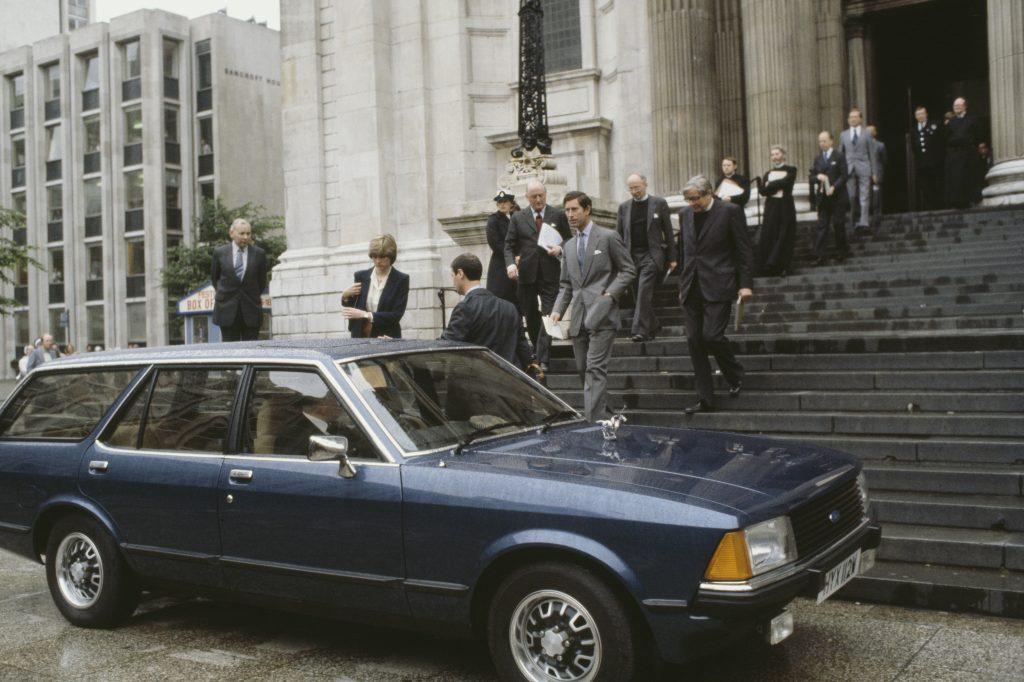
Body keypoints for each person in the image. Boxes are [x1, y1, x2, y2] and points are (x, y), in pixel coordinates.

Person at [551, 191, 635, 422]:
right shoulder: (568, 246)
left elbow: (628, 270)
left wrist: (610, 295)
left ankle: (593, 423)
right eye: (566, 210)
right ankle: (604, 413)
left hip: (603, 314)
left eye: (574, 209)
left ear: (587, 209)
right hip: (578, 317)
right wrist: (558, 310)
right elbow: (566, 285)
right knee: (583, 369)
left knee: (594, 369)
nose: (570, 215)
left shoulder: (608, 237)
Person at [676, 176, 754, 414]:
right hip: (692, 286)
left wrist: (745, 284)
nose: (692, 203)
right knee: (694, 341)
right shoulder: (685, 214)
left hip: (720, 283)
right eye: (688, 199)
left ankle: (735, 374)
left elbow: (743, 250)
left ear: (709, 193)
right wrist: (681, 281)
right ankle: (705, 398)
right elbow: (685, 251)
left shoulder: (729, 211)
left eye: (696, 198)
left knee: (712, 336)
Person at [504, 180, 572, 372]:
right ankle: (538, 349)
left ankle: (543, 358)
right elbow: (508, 245)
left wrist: (560, 248)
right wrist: (510, 265)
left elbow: (568, 239)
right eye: (534, 196)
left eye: (541, 195)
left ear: (546, 194)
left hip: (550, 274)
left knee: (549, 315)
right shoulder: (518, 217)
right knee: (531, 315)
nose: (538, 199)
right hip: (526, 274)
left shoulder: (557, 215)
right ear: (527, 198)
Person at [440, 253, 532, 368]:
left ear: (460, 273)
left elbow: (446, 346)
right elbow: (524, 350)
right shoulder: (510, 308)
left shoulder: (465, 308)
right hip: (510, 380)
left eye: (452, 275)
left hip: (480, 381)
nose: (452, 281)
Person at [615, 173, 677, 343]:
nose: (634, 191)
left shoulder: (659, 203)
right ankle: (654, 324)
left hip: (651, 255)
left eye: (637, 187)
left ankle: (640, 330)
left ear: (645, 185)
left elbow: (669, 232)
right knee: (637, 293)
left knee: (643, 290)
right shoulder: (624, 207)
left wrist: (672, 257)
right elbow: (618, 235)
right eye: (631, 188)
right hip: (630, 256)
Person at [341, 234, 409, 338]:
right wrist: (345, 296)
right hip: (360, 335)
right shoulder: (360, 276)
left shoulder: (401, 279)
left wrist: (365, 314)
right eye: (374, 256)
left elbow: (397, 314)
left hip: (386, 336)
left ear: (391, 256)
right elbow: (353, 307)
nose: (377, 261)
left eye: (382, 257)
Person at [211, 218, 268, 341]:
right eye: (242, 233)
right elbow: (215, 279)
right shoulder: (220, 253)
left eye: (248, 233)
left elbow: (262, 282)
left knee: (251, 352)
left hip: (251, 311)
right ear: (232, 233)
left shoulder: (259, 254)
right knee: (230, 353)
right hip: (227, 311)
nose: (246, 237)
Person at [809, 131, 849, 266]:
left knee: (838, 224)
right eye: (820, 141)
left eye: (824, 141)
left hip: (837, 197)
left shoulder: (839, 156)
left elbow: (844, 175)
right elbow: (812, 177)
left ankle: (841, 251)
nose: (822, 144)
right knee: (822, 226)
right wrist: (817, 177)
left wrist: (834, 187)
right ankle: (819, 255)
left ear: (831, 141)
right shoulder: (817, 159)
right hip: (823, 199)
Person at [756, 145, 797, 276]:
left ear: (783, 155)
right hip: (771, 207)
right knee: (769, 234)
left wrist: (771, 185)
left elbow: (787, 182)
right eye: (772, 155)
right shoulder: (768, 173)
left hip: (785, 206)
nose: (775, 157)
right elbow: (762, 191)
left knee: (784, 234)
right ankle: (769, 266)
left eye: (777, 154)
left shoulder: (791, 169)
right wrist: (772, 186)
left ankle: (783, 266)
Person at [839, 108, 879, 232]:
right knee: (851, 195)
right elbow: (840, 153)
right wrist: (839, 171)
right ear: (848, 119)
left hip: (864, 167)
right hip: (849, 167)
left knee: (864, 195)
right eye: (851, 117)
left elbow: (872, 153)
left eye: (856, 117)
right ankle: (853, 219)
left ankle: (864, 221)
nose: (853, 119)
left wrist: (874, 172)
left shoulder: (866, 133)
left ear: (860, 119)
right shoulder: (843, 134)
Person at [944, 97, 984, 209]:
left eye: (959, 105)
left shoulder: (973, 119)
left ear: (965, 106)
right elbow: (946, 138)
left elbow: (979, 135)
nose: (956, 107)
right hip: (955, 156)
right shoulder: (950, 122)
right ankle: (957, 202)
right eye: (954, 106)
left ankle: (971, 200)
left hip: (969, 154)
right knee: (956, 180)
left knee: (969, 179)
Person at [485, 190, 519, 305]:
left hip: (518, 264)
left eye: (505, 202)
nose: (502, 205)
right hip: (500, 266)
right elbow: (495, 243)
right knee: (501, 299)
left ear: (511, 203)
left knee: (517, 300)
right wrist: (513, 257)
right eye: (500, 202)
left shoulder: (517, 218)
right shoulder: (493, 220)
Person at [912, 106, 944, 210]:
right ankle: (928, 206)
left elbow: (941, 141)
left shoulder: (935, 125)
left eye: (922, 113)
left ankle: (939, 205)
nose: (920, 116)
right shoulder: (914, 130)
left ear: (926, 114)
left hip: (935, 162)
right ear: (915, 117)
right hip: (922, 163)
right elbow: (914, 147)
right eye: (918, 114)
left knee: (936, 183)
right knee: (925, 186)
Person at [866, 124, 886, 218]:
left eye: (871, 131)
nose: (869, 133)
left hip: (876, 173)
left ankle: (878, 214)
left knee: (877, 195)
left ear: (875, 133)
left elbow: (884, 160)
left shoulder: (880, 145)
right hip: (865, 174)